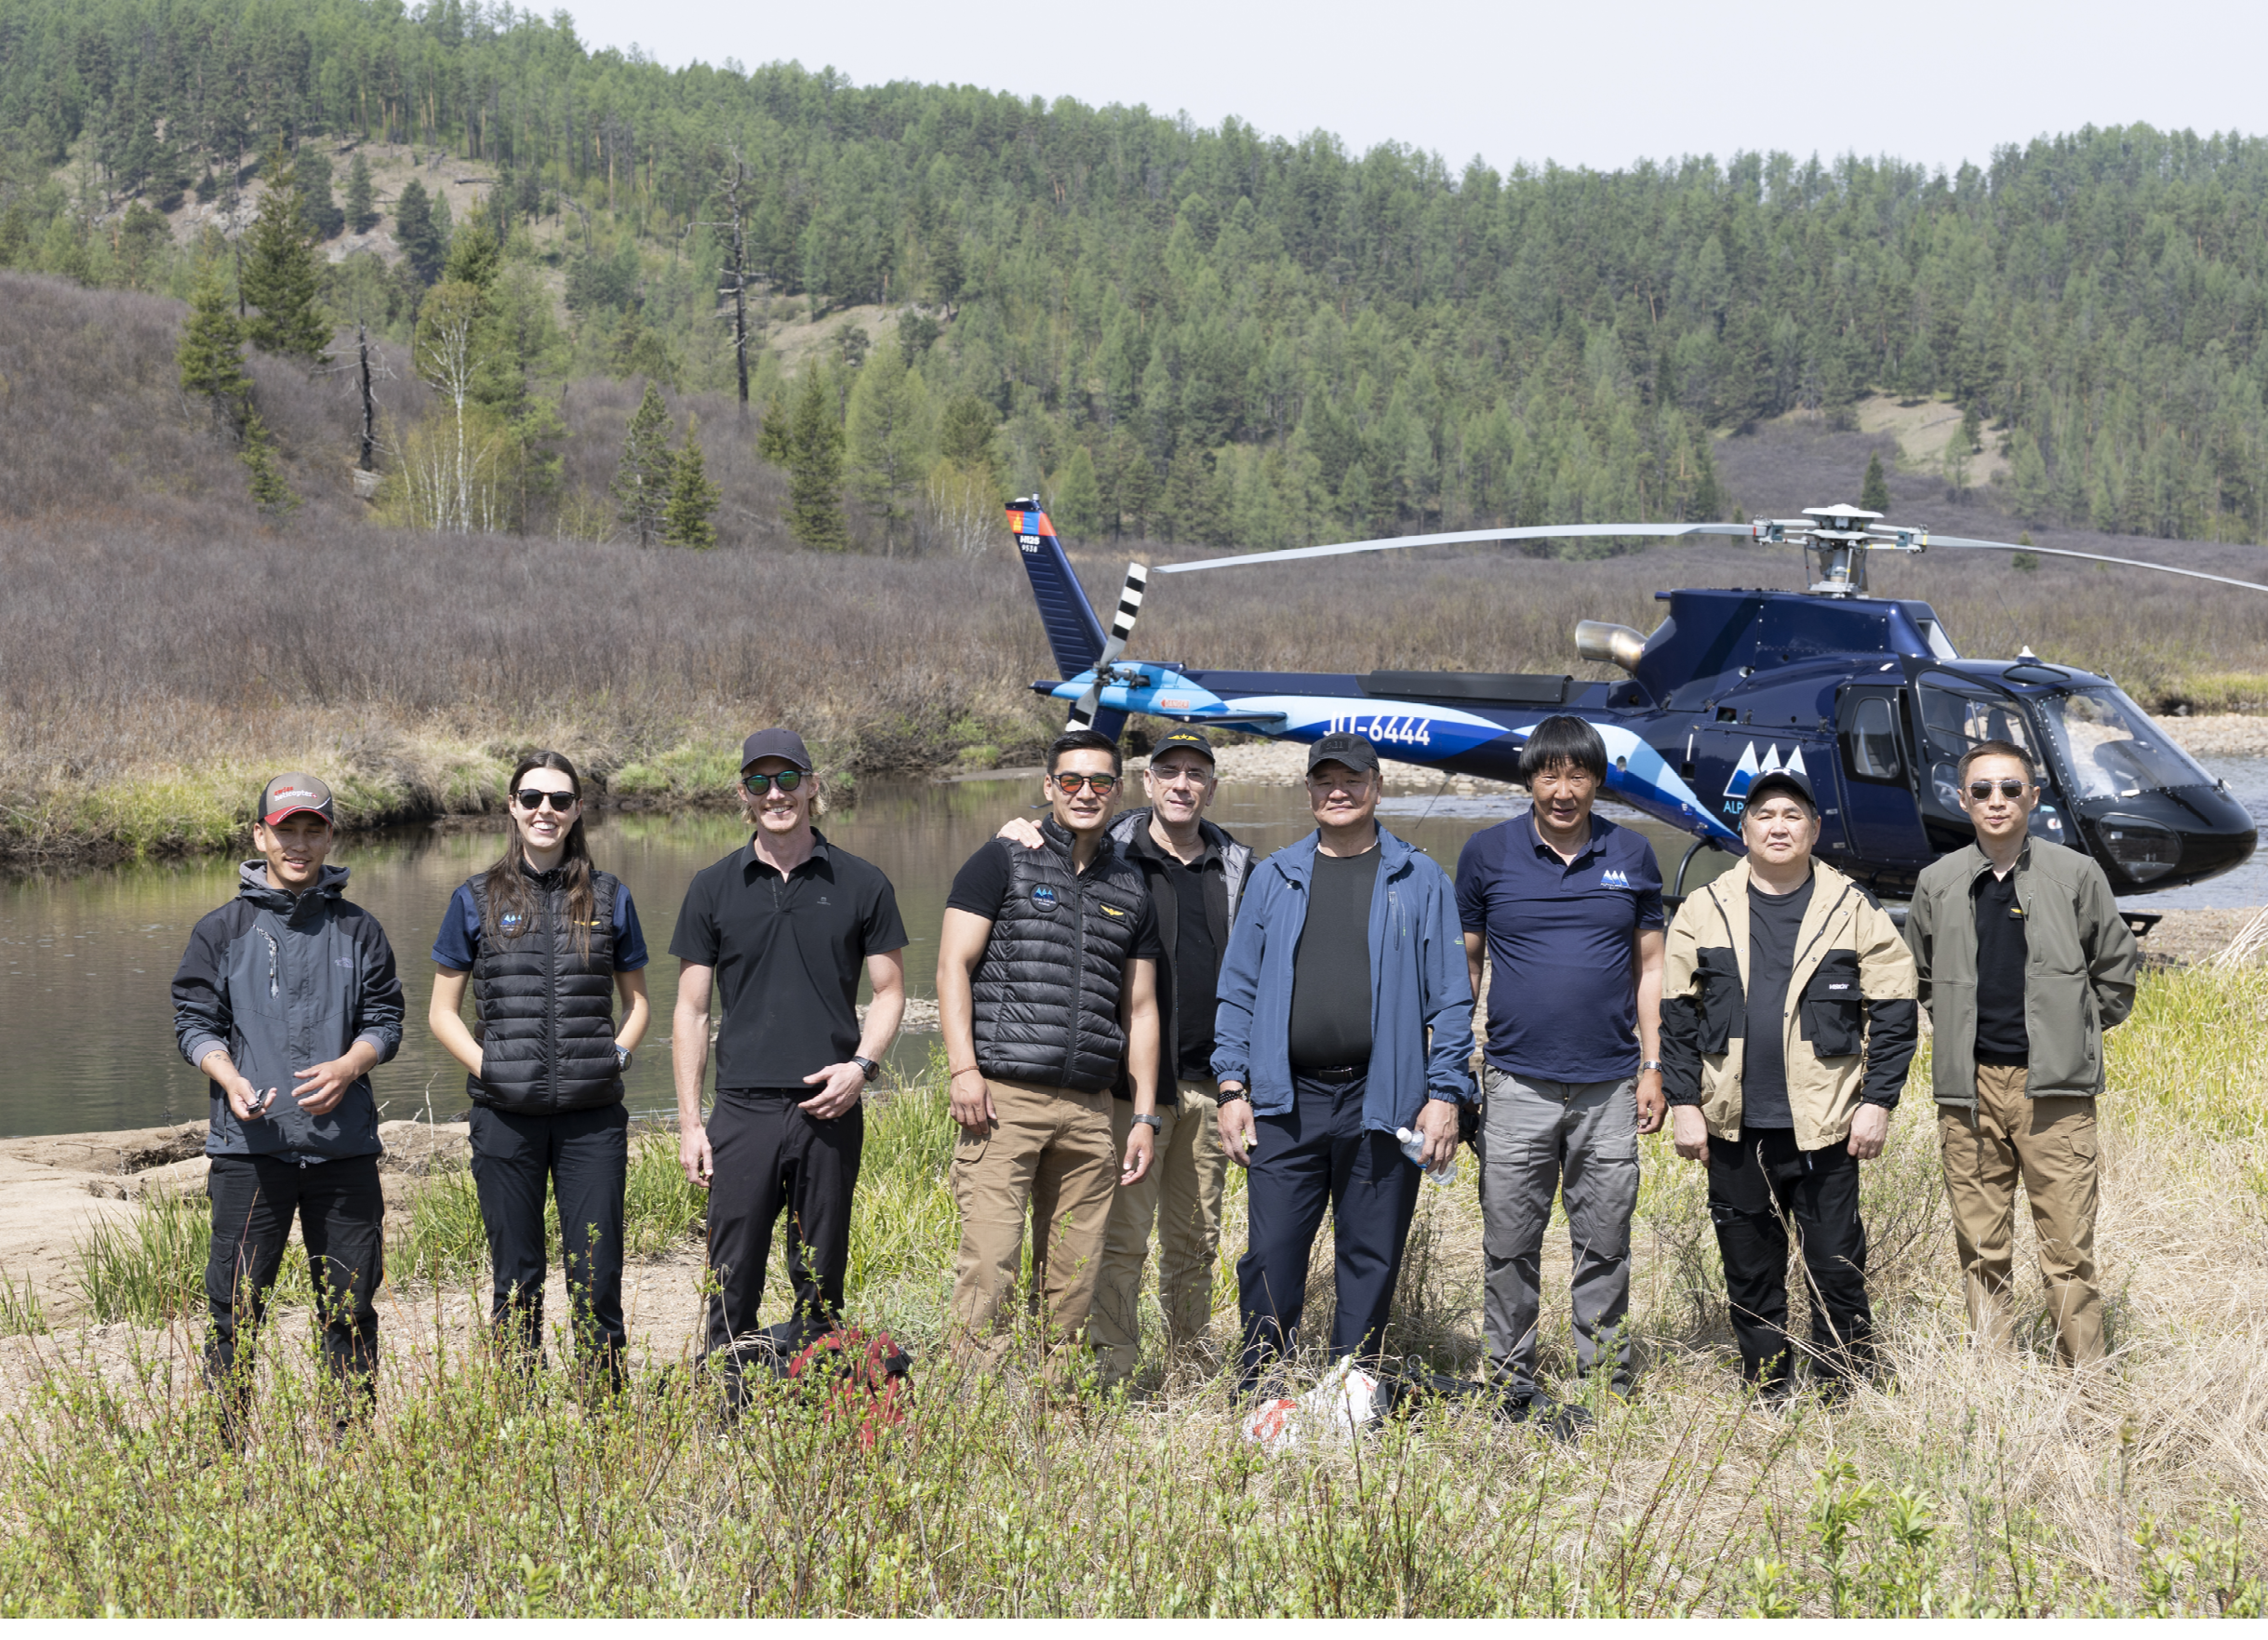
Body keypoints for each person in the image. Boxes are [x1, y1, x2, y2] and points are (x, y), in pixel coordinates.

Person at [1214, 733, 1474, 1390]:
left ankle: (1352, 1391)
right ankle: (1263, 1390)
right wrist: (1232, 1083)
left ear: (1376, 786)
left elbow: (1451, 997)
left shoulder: (1419, 878)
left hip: (1382, 1101)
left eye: (1352, 778)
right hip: (1284, 1101)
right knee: (1271, 1255)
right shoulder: (1274, 876)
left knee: (1371, 1254)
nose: (1338, 789)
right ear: (1307, 791)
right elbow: (1237, 986)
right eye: (1325, 779)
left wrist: (1445, 1093)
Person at [997, 726, 1252, 1386]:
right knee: (1119, 1241)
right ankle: (1112, 1371)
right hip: (1128, 1091)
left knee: (1195, 1243)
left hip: (1207, 1083)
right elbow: (1048, 842)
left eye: (1197, 773)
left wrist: (1240, 1081)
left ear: (1213, 786)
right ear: (1147, 781)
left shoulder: (1238, 865)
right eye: (1170, 771)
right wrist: (1017, 827)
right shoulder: (1110, 849)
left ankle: (1190, 1372)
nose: (1183, 784)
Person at [1661, 767, 1917, 1401]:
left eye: (1793, 815)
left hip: (1826, 1124)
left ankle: (1843, 1386)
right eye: (1765, 814)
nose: (1779, 825)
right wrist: (1684, 1104)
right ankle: (1767, 1387)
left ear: (1814, 829)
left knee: (1835, 1264)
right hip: (1733, 1123)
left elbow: (1894, 1008)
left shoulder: (1851, 906)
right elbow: (1676, 1018)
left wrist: (1877, 1101)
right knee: (1749, 1267)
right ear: (1744, 828)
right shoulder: (1704, 907)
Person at [670, 729, 908, 1401]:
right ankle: (727, 1413)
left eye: (787, 779)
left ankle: (816, 1415)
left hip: (827, 1109)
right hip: (740, 1109)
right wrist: (692, 1122)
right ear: (743, 794)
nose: (775, 794)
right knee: (730, 1273)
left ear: (811, 785)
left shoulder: (861, 881)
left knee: (821, 1276)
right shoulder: (713, 886)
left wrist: (861, 1066)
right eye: (758, 782)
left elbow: (890, 992)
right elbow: (690, 1012)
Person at [171, 774, 405, 1433]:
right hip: (249, 1152)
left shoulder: (361, 929)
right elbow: (194, 1022)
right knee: (235, 1309)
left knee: (351, 1309)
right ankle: (224, 1454)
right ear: (260, 835)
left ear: (330, 835)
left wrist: (353, 1062)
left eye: (313, 828)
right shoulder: (221, 929)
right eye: (286, 829)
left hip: (343, 1151)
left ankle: (349, 1450)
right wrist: (225, 1073)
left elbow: (386, 1018)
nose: (299, 843)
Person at [1454, 715, 1664, 1423]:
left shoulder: (1631, 852)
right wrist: (1457, 1063)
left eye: (1579, 774)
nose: (1565, 789)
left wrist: (1653, 1065)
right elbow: (1468, 963)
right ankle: (1508, 1380)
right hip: (1516, 1082)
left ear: (1597, 780)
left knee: (1604, 1237)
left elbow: (1652, 968)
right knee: (1509, 1239)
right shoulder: (1487, 853)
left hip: (1608, 1082)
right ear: (1530, 779)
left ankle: (1604, 1379)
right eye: (1551, 773)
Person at [1906, 740, 2137, 1368]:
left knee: (2067, 1251)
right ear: (1962, 799)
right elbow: (1922, 977)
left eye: (2011, 788)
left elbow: (2116, 973)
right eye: (1982, 790)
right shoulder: (1937, 883)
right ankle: (1996, 1390)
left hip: (2055, 1095)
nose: (1997, 801)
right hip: (1969, 1093)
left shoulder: (2075, 875)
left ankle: (2086, 1387)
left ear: (2034, 797)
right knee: (1981, 1249)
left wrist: (2075, 1034)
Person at [937, 727, 1162, 1369]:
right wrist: (964, 1069)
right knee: (990, 1261)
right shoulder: (1003, 858)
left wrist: (1142, 1112)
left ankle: (1054, 1410)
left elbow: (1140, 1008)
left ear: (1117, 792)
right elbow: (953, 963)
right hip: (1003, 1101)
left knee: (1074, 1273)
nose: (1085, 792)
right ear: (1048, 787)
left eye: (1099, 782)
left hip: (1091, 1109)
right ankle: (975, 1414)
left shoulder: (1130, 887)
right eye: (1071, 780)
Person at [428, 752, 652, 1388]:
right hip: (506, 1119)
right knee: (516, 1277)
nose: (544, 811)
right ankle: (519, 1420)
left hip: (592, 1122)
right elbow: (442, 1012)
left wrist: (616, 1055)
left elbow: (637, 1003)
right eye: (531, 799)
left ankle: (606, 1416)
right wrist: (492, 1068)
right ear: (512, 806)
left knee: (597, 1273)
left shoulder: (611, 896)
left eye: (559, 799)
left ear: (578, 808)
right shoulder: (474, 897)